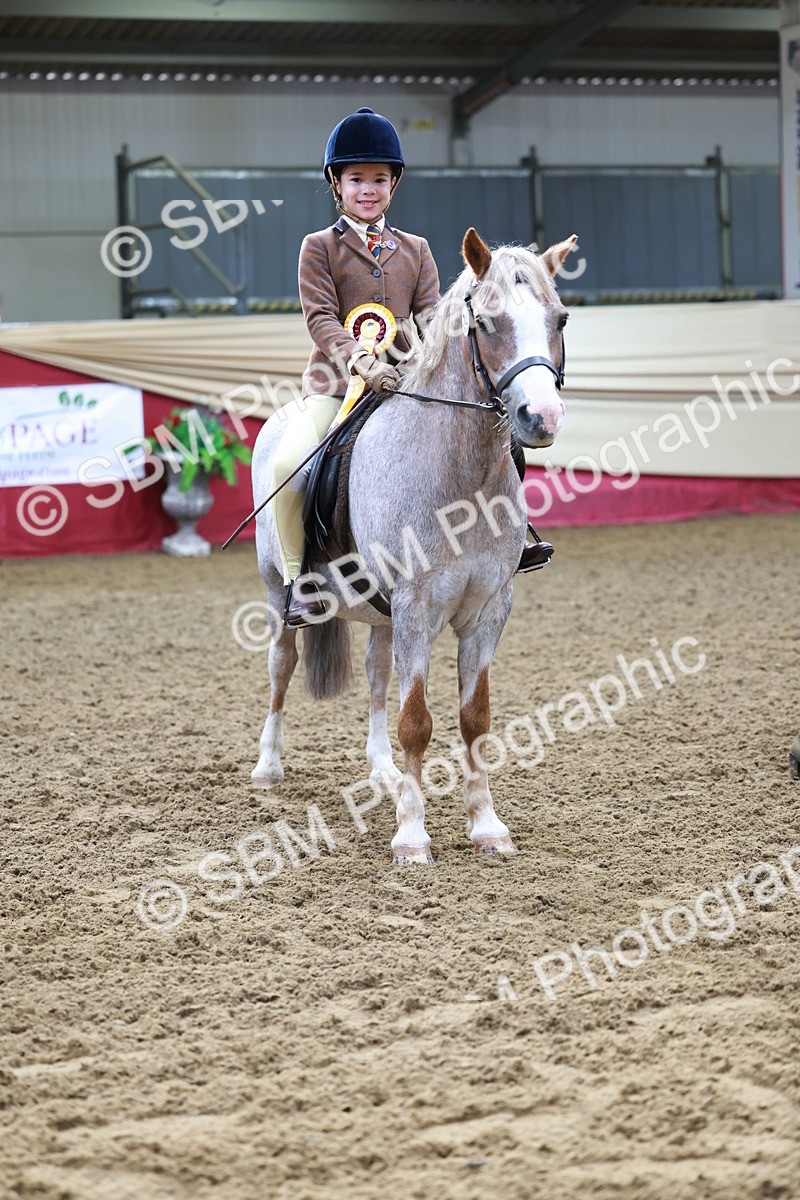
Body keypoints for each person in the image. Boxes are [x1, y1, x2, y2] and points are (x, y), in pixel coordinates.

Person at [270, 105, 553, 629]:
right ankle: (299, 581)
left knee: (501, 441)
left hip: (405, 387)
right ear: (337, 183)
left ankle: (514, 537)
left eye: (379, 179)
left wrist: (408, 367)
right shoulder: (319, 248)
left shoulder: (417, 250)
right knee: (290, 466)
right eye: (357, 179)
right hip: (336, 386)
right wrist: (360, 362)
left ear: (393, 184)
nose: (368, 190)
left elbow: (431, 320)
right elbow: (320, 317)